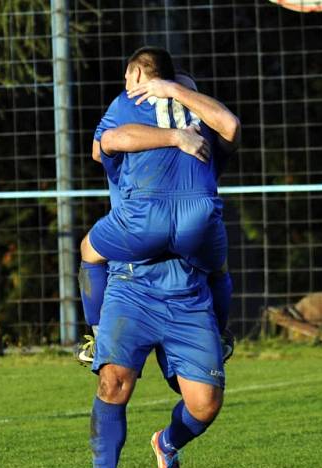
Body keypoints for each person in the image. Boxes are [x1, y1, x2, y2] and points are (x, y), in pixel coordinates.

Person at [83, 48, 241, 468]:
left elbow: (231, 126)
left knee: (205, 403)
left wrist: (178, 92)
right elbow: (105, 143)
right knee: (114, 382)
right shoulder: (127, 110)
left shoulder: (202, 116)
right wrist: (173, 136)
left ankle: (167, 444)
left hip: (187, 287)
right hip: (132, 283)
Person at [77, 46, 239, 362]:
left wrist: (172, 135)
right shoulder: (206, 120)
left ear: (137, 75)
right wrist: (180, 119)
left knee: (88, 251)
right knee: (219, 269)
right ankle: (219, 334)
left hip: (142, 223)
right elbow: (230, 126)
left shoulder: (127, 103)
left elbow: (102, 147)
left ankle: (96, 336)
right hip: (199, 222)